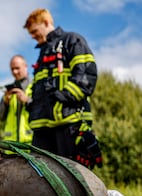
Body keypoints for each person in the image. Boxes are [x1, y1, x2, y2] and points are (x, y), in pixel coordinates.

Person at [23, 8, 102, 169]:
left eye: (34, 31)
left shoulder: (72, 40)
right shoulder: (43, 52)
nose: (32, 36)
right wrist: (32, 106)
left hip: (69, 125)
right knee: (37, 179)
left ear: (46, 23)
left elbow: (86, 75)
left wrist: (61, 97)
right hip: (43, 129)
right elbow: (40, 91)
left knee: (73, 179)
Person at [0, 54, 33, 144]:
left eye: (17, 68)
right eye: (12, 69)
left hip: (31, 145)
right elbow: (0, 117)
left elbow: (44, 112)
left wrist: (27, 100)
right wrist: (5, 102)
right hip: (11, 147)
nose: (14, 72)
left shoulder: (35, 86)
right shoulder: (10, 90)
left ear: (25, 67)